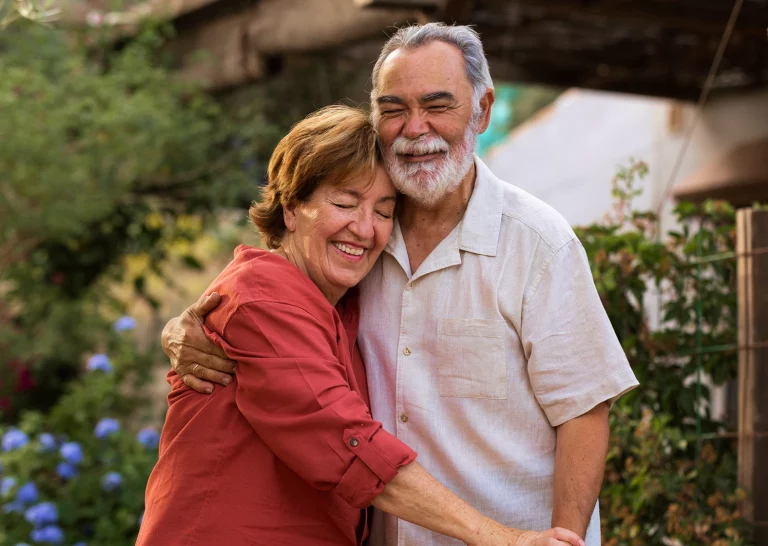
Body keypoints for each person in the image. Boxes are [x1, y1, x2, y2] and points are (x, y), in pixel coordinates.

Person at [163, 24, 639, 546]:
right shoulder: (357, 254)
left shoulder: (537, 244)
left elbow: (584, 408)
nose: (415, 129)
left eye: (437, 105)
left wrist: (562, 538)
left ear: (482, 110)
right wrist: (197, 322)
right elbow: (273, 317)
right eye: (393, 110)